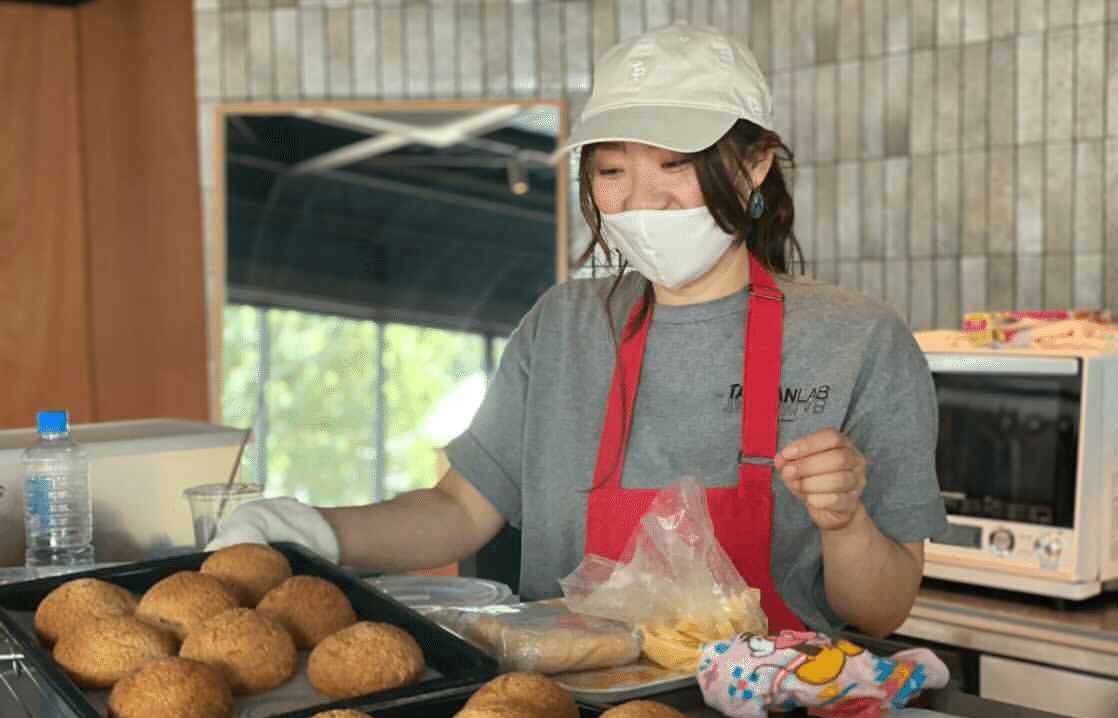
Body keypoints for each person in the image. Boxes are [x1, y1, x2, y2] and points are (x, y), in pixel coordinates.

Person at [209, 22, 946, 640]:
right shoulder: (564, 326)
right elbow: (458, 509)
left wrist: (844, 522)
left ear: (753, 165)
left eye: (674, 165)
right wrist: (310, 531)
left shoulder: (858, 341)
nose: (641, 202)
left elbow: (881, 611)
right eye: (613, 171)